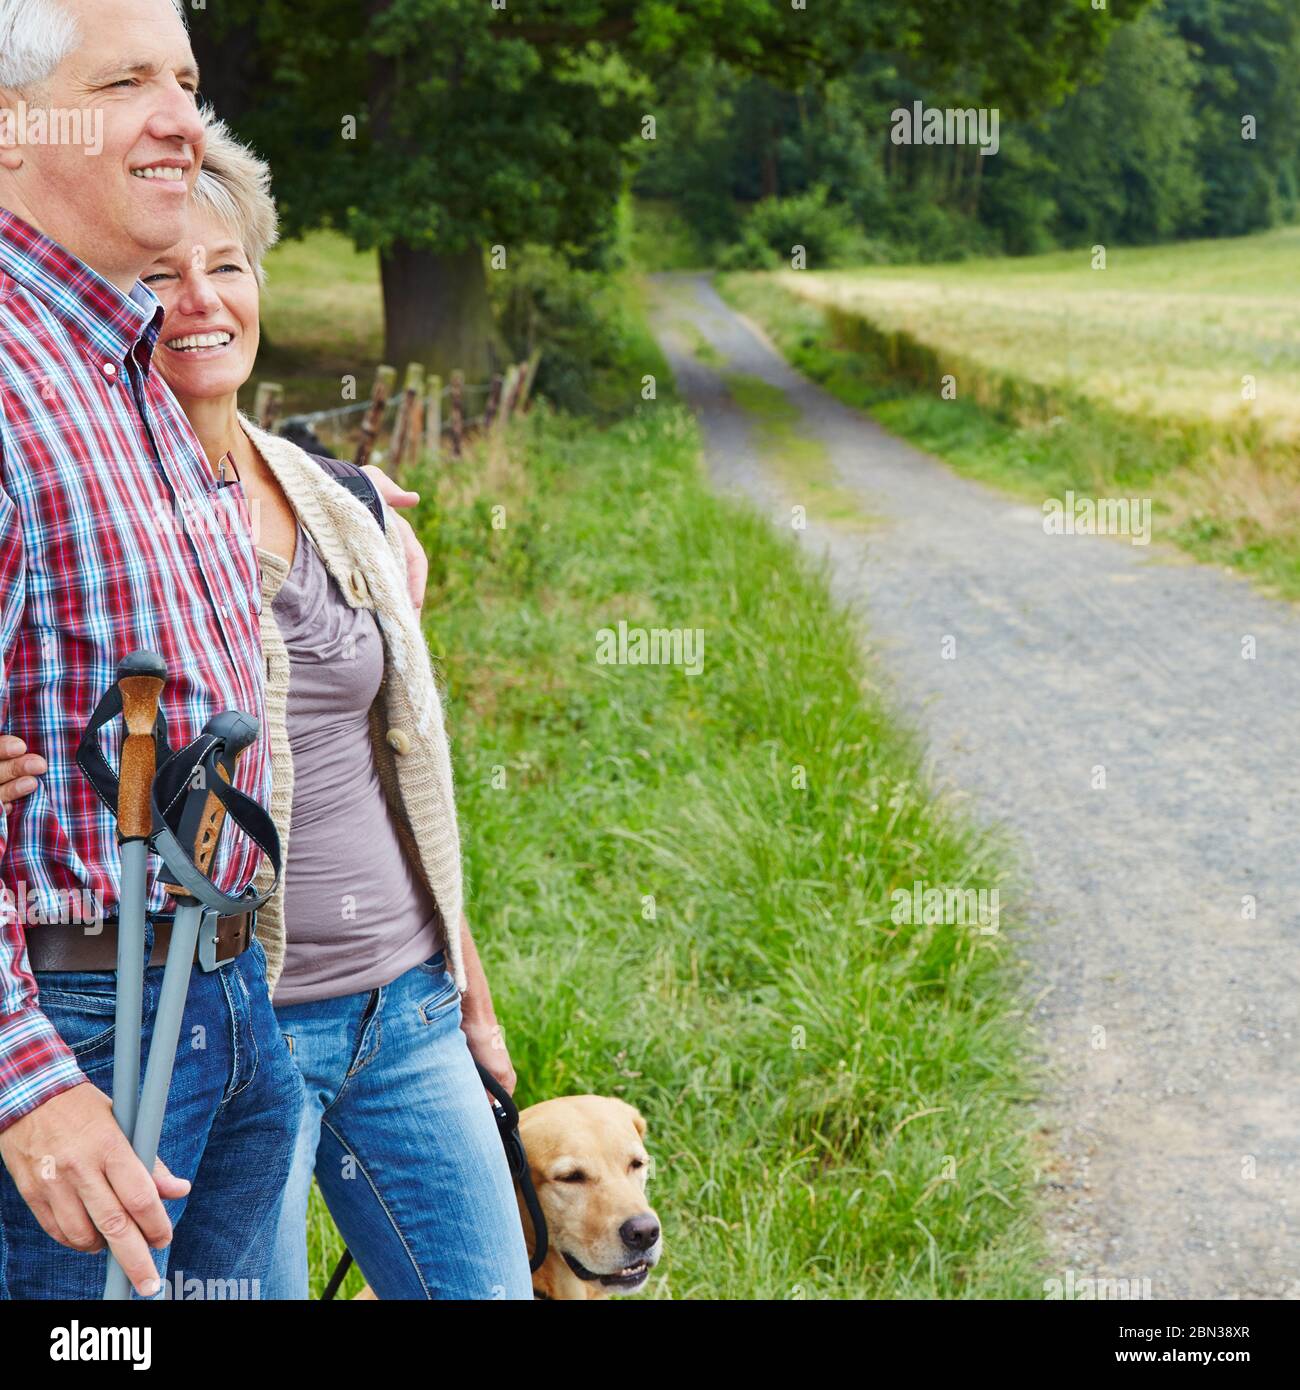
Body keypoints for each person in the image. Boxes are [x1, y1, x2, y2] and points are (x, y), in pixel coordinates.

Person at [2, 108, 533, 1300]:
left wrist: (471, 997)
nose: (198, 299)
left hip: (406, 1010)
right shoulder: (91, 516)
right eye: (159, 274)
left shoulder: (342, 501)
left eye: (226, 268)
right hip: (234, 1016)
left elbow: (403, 777)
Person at [0, 0, 302, 1298]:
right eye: (127, 81)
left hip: (226, 997)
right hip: (78, 1036)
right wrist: (24, 1080)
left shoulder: (125, 363)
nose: (184, 117)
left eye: (184, 76)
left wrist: (345, 501)